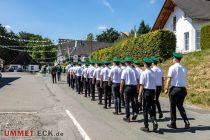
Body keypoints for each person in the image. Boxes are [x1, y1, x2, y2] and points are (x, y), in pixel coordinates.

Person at [165, 52, 190, 129]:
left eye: (173, 58)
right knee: (180, 106)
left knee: (173, 106)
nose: (172, 59)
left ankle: (173, 123)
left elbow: (169, 79)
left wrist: (166, 88)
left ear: (175, 59)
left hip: (175, 89)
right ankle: (186, 121)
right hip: (183, 89)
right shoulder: (184, 67)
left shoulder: (172, 67)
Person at [139, 58, 158, 132]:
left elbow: (142, 85)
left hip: (146, 92)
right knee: (151, 108)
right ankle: (154, 121)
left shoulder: (144, 73)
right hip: (153, 91)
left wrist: (139, 95)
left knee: (145, 109)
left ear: (145, 64)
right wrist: (155, 94)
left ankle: (146, 126)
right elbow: (155, 84)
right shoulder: (153, 72)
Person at [120, 57, 138, 122]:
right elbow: (138, 80)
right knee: (133, 101)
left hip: (127, 87)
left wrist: (121, 88)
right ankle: (134, 113)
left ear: (126, 63)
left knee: (127, 102)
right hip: (134, 87)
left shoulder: (125, 70)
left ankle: (127, 117)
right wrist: (137, 88)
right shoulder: (135, 70)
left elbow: (122, 80)